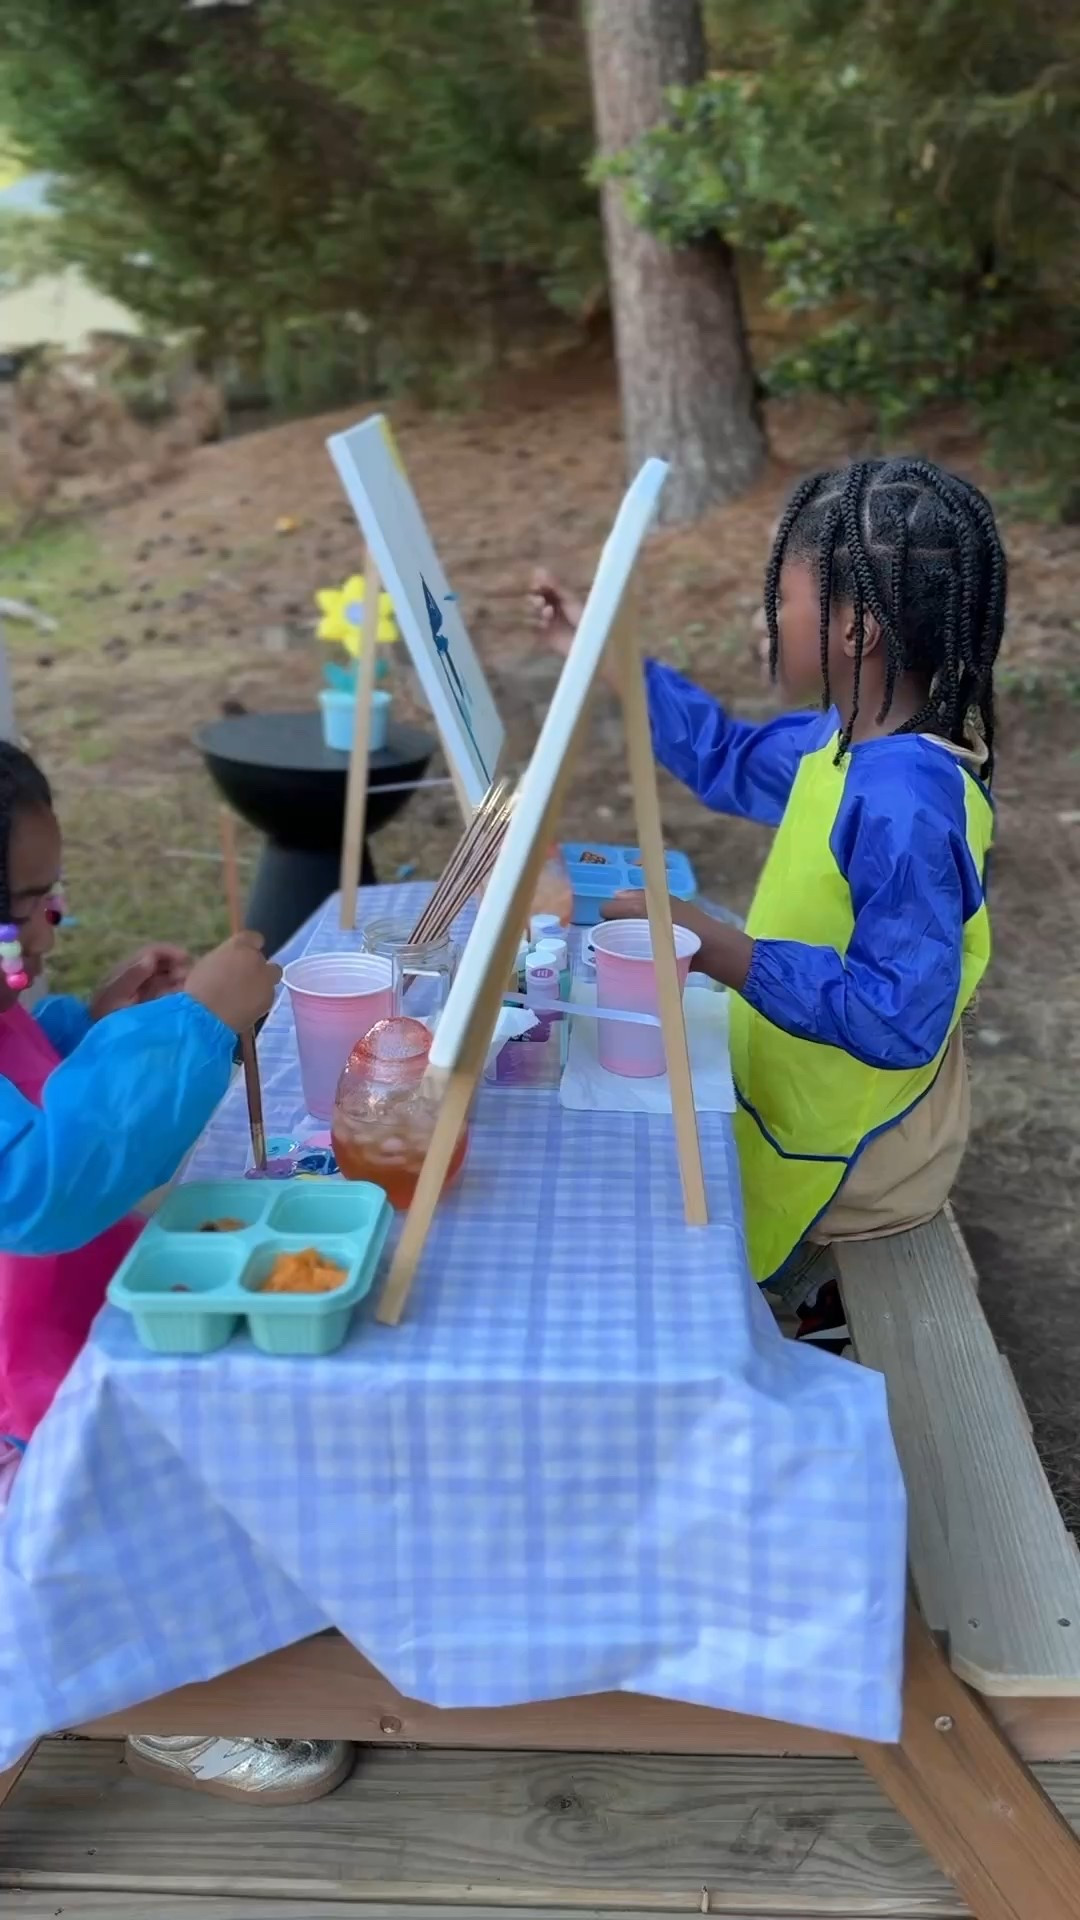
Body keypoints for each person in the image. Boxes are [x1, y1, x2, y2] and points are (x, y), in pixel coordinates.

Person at [534, 455, 1005, 1348]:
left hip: (852, 1152)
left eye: (780, 604)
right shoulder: (846, 738)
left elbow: (900, 1016)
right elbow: (723, 757)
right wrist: (593, 648)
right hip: (789, 1091)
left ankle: (811, 1315)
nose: (766, 624)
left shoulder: (905, 800)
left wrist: (719, 950)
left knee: (690, 1301)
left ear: (858, 627)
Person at [0, 740, 352, 1804]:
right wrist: (192, 1025)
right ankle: (162, 1706)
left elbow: (25, 1063)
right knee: (101, 1545)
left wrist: (104, 1024)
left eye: (51, 890)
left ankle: (166, 1673)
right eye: (25, 900)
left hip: (70, 1341)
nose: (53, 917)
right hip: (24, 1399)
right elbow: (45, 1180)